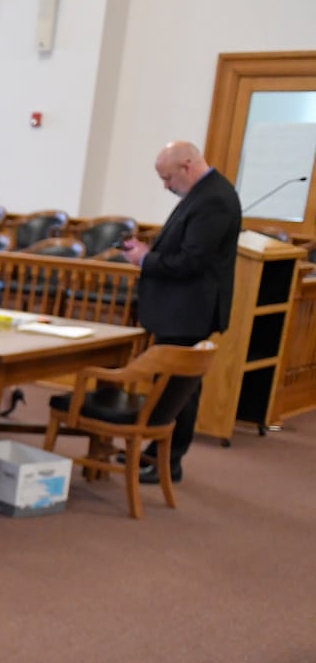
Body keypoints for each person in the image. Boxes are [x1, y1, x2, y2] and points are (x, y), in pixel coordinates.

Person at [119, 141, 241, 484]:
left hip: (189, 311)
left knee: (178, 392)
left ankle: (166, 460)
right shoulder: (203, 193)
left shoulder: (214, 198)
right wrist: (149, 251)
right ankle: (152, 453)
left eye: (167, 177)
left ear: (186, 166)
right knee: (169, 386)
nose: (166, 186)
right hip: (180, 310)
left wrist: (145, 259)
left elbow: (192, 262)